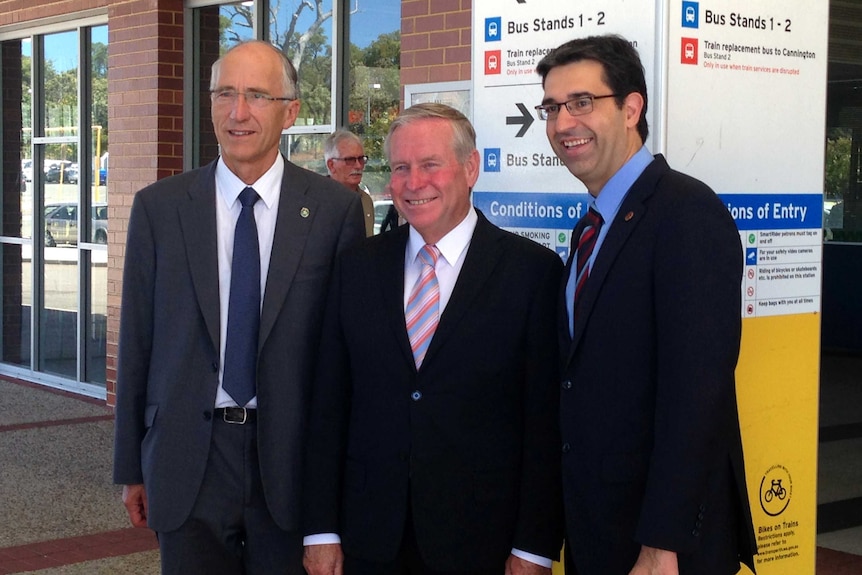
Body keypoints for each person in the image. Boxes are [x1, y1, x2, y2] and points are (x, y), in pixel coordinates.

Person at [112, 40, 365, 574]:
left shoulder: (334, 211)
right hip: (187, 460)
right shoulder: (160, 208)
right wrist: (131, 465)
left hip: (289, 463)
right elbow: (137, 340)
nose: (238, 112)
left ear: (290, 112)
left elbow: (343, 355)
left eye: (256, 95)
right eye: (225, 93)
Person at [302, 102, 564, 575]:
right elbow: (328, 405)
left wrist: (533, 547)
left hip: (483, 543)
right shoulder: (356, 268)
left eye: (429, 165)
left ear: (470, 168)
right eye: (401, 168)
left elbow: (543, 423)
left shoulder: (532, 274)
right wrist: (320, 529)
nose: (413, 182)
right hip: (369, 539)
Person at [535, 35, 757, 575]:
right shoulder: (593, 226)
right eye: (552, 108)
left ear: (632, 108)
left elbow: (696, 394)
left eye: (582, 102)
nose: (563, 123)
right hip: (601, 526)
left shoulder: (685, 214)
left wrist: (662, 542)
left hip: (661, 545)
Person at [325, 129, 375, 236]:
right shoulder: (316, 200)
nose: (358, 166)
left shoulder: (365, 200)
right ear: (331, 165)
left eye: (361, 159)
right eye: (350, 160)